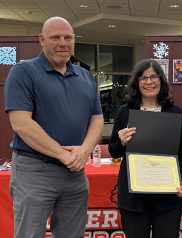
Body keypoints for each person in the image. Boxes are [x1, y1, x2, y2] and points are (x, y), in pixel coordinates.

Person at [4, 17, 104, 238]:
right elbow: (21, 123)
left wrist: (84, 151)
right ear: (42, 40)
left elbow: (97, 119)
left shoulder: (85, 76)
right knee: (29, 234)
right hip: (35, 171)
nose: (62, 42)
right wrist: (62, 154)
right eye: (55, 37)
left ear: (74, 40)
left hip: (75, 174)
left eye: (68, 37)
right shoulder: (23, 72)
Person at [109, 59, 182, 238]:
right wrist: (122, 142)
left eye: (153, 77)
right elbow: (114, 151)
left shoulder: (175, 112)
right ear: (136, 83)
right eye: (143, 78)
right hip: (134, 198)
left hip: (168, 196)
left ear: (161, 81)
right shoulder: (125, 111)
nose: (149, 82)